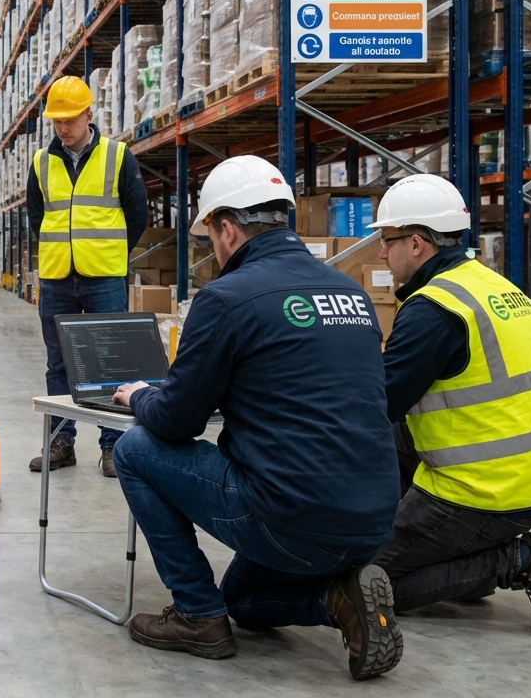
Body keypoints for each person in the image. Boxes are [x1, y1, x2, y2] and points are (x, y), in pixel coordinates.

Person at [109, 155, 404, 680]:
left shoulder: (226, 298)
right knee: (244, 602)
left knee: (134, 450)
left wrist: (138, 396)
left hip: (290, 515)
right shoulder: (350, 292)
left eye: (210, 238)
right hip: (374, 518)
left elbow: (177, 422)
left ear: (227, 229)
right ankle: (338, 596)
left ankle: (197, 616)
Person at [369, 173, 531, 632]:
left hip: (488, 489)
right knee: (395, 437)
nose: (383, 253)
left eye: (388, 241)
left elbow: (376, 405)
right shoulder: (490, 284)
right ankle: (463, 555)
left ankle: (525, 560)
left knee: (370, 582)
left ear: (418, 243)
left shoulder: (433, 310)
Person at [25, 75, 148, 477]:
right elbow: (37, 217)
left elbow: (137, 215)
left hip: (104, 277)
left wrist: (108, 253)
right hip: (58, 276)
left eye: (70, 119)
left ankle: (113, 447)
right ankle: (62, 442)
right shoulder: (42, 162)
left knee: (110, 364)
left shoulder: (117, 156)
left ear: (89, 114)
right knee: (58, 362)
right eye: (57, 120)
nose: (63, 127)